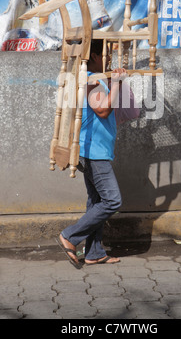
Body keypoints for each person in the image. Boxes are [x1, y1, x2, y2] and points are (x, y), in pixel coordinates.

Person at [57, 39, 129, 268]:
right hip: (94, 153)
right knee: (112, 200)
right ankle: (69, 236)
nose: (108, 60)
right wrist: (116, 83)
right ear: (96, 56)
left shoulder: (95, 79)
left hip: (95, 150)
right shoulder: (91, 79)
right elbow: (102, 108)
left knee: (96, 200)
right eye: (105, 55)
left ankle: (94, 252)